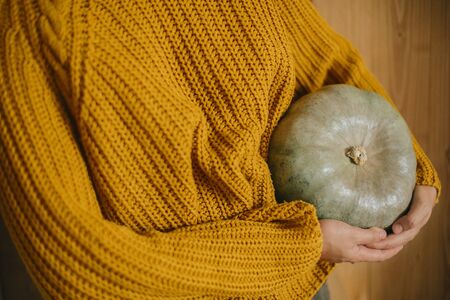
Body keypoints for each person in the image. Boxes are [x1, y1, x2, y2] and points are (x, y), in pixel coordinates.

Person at [0, 0, 441, 299]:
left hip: (298, 281)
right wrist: (298, 245)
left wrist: (406, 165)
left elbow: (326, 62)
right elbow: (79, 268)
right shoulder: (32, 25)